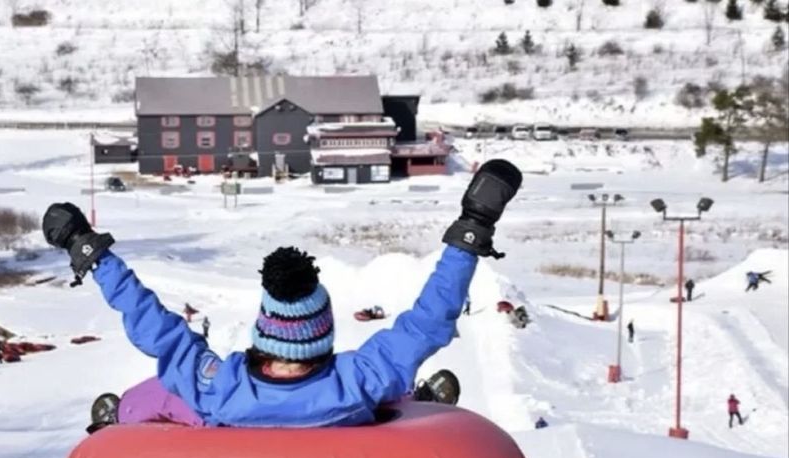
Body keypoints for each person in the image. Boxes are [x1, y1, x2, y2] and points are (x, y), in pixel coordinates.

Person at [42, 158, 522, 428]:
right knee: (391, 396)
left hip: (230, 416)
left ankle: (116, 418)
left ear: (263, 330)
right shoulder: (358, 379)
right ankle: (420, 401)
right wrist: (472, 227)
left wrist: (91, 253)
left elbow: (154, 328)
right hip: (351, 411)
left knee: (159, 393)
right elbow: (428, 320)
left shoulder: (219, 386)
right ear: (323, 331)